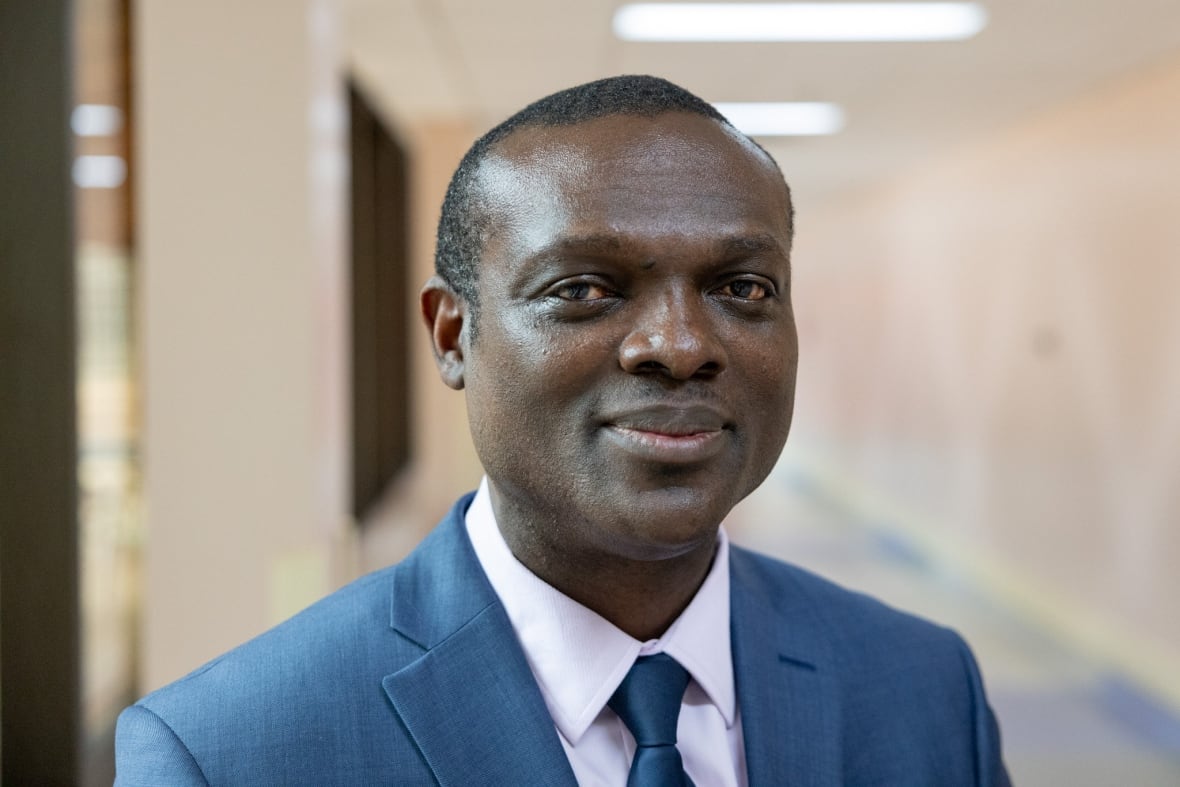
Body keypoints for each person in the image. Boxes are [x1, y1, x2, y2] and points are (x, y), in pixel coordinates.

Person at [115, 75, 1010, 786]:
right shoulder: (230, 751)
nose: (682, 345)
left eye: (742, 288)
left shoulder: (925, 690)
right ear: (453, 335)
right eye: (583, 288)